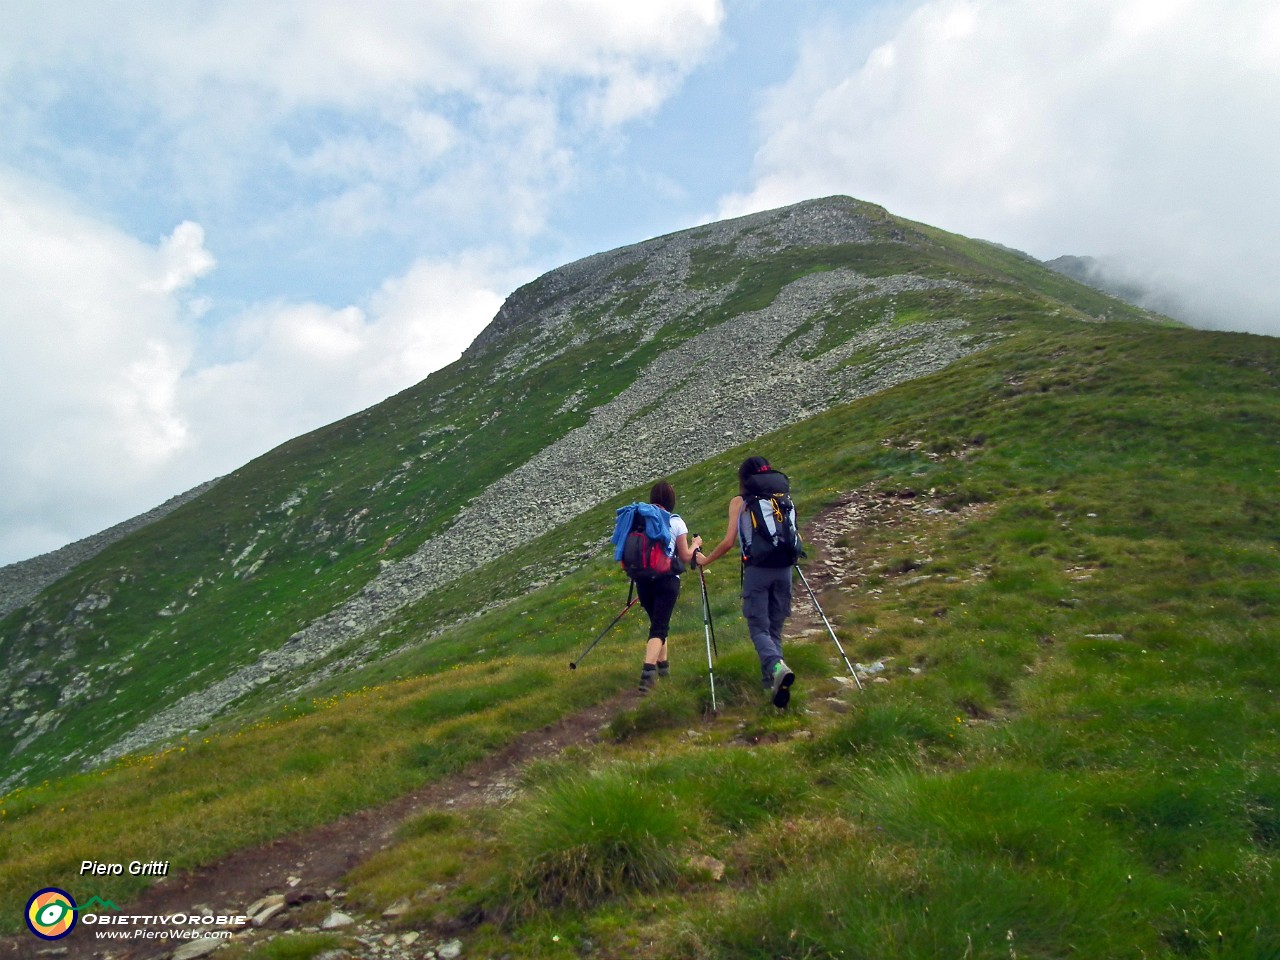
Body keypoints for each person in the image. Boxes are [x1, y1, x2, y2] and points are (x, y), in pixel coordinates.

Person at [695, 456, 796, 707]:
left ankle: (775, 667)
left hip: (757, 570)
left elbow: (729, 541)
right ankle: (772, 689)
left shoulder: (740, 502)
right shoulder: (782, 498)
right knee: (774, 628)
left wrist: (705, 561)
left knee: (758, 628)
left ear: (743, 479)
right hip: (784, 568)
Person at [635, 481, 702, 692]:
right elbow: (685, 557)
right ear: (670, 500)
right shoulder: (676, 522)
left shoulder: (641, 520)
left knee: (659, 624)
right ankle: (647, 676)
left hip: (643, 580)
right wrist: (696, 545)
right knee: (659, 628)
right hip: (667, 580)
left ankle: (664, 670)